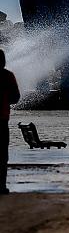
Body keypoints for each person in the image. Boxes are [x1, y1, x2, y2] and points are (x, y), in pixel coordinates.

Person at [0, 49, 20, 195]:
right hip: (1, 119)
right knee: (2, 155)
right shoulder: (7, 76)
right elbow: (15, 98)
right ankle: (1, 186)